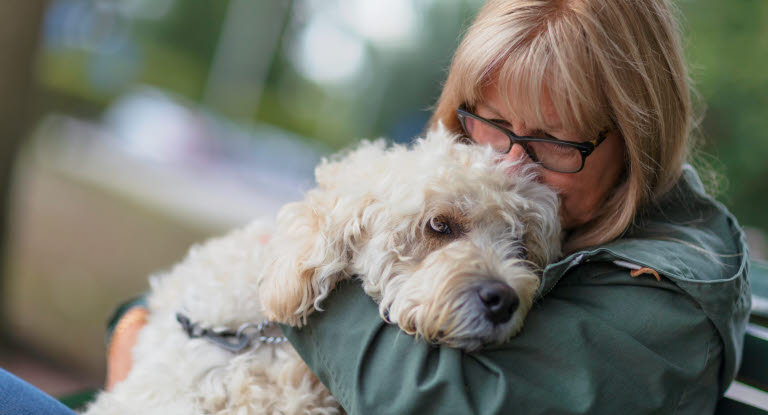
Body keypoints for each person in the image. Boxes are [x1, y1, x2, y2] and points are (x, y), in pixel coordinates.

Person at [107, 0, 751, 413]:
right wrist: (141, 321)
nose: (508, 165)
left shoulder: (667, 291)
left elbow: (433, 402)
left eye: (554, 140)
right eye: (492, 124)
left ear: (639, 139)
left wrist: (315, 253)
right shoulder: (488, 195)